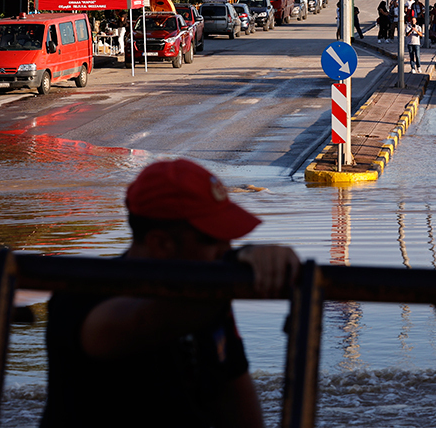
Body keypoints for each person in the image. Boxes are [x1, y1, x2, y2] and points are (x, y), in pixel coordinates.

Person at [41, 159, 300, 428]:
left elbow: (235, 396)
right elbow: (144, 323)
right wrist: (232, 269)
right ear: (161, 243)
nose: (227, 248)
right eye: (212, 239)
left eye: (229, 239)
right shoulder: (78, 295)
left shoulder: (207, 293)